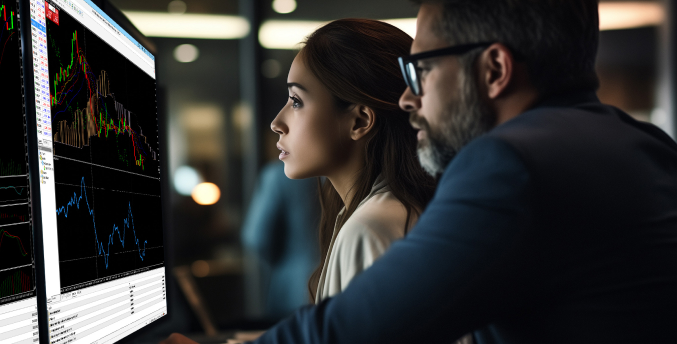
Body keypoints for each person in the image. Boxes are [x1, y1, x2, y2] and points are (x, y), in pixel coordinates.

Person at [162, 0, 677, 343]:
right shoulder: (644, 147)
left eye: (423, 70)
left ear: (493, 70)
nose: (408, 98)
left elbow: (358, 330)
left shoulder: (513, 165)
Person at [269, 18, 435, 305]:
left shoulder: (373, 226)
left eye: (296, 101)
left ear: (360, 120)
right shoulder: (383, 212)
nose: (276, 123)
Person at [241, 160, 320, 319]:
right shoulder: (349, 172)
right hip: (342, 286)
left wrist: (279, 260)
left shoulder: (279, 175)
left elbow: (256, 237)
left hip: (292, 288)